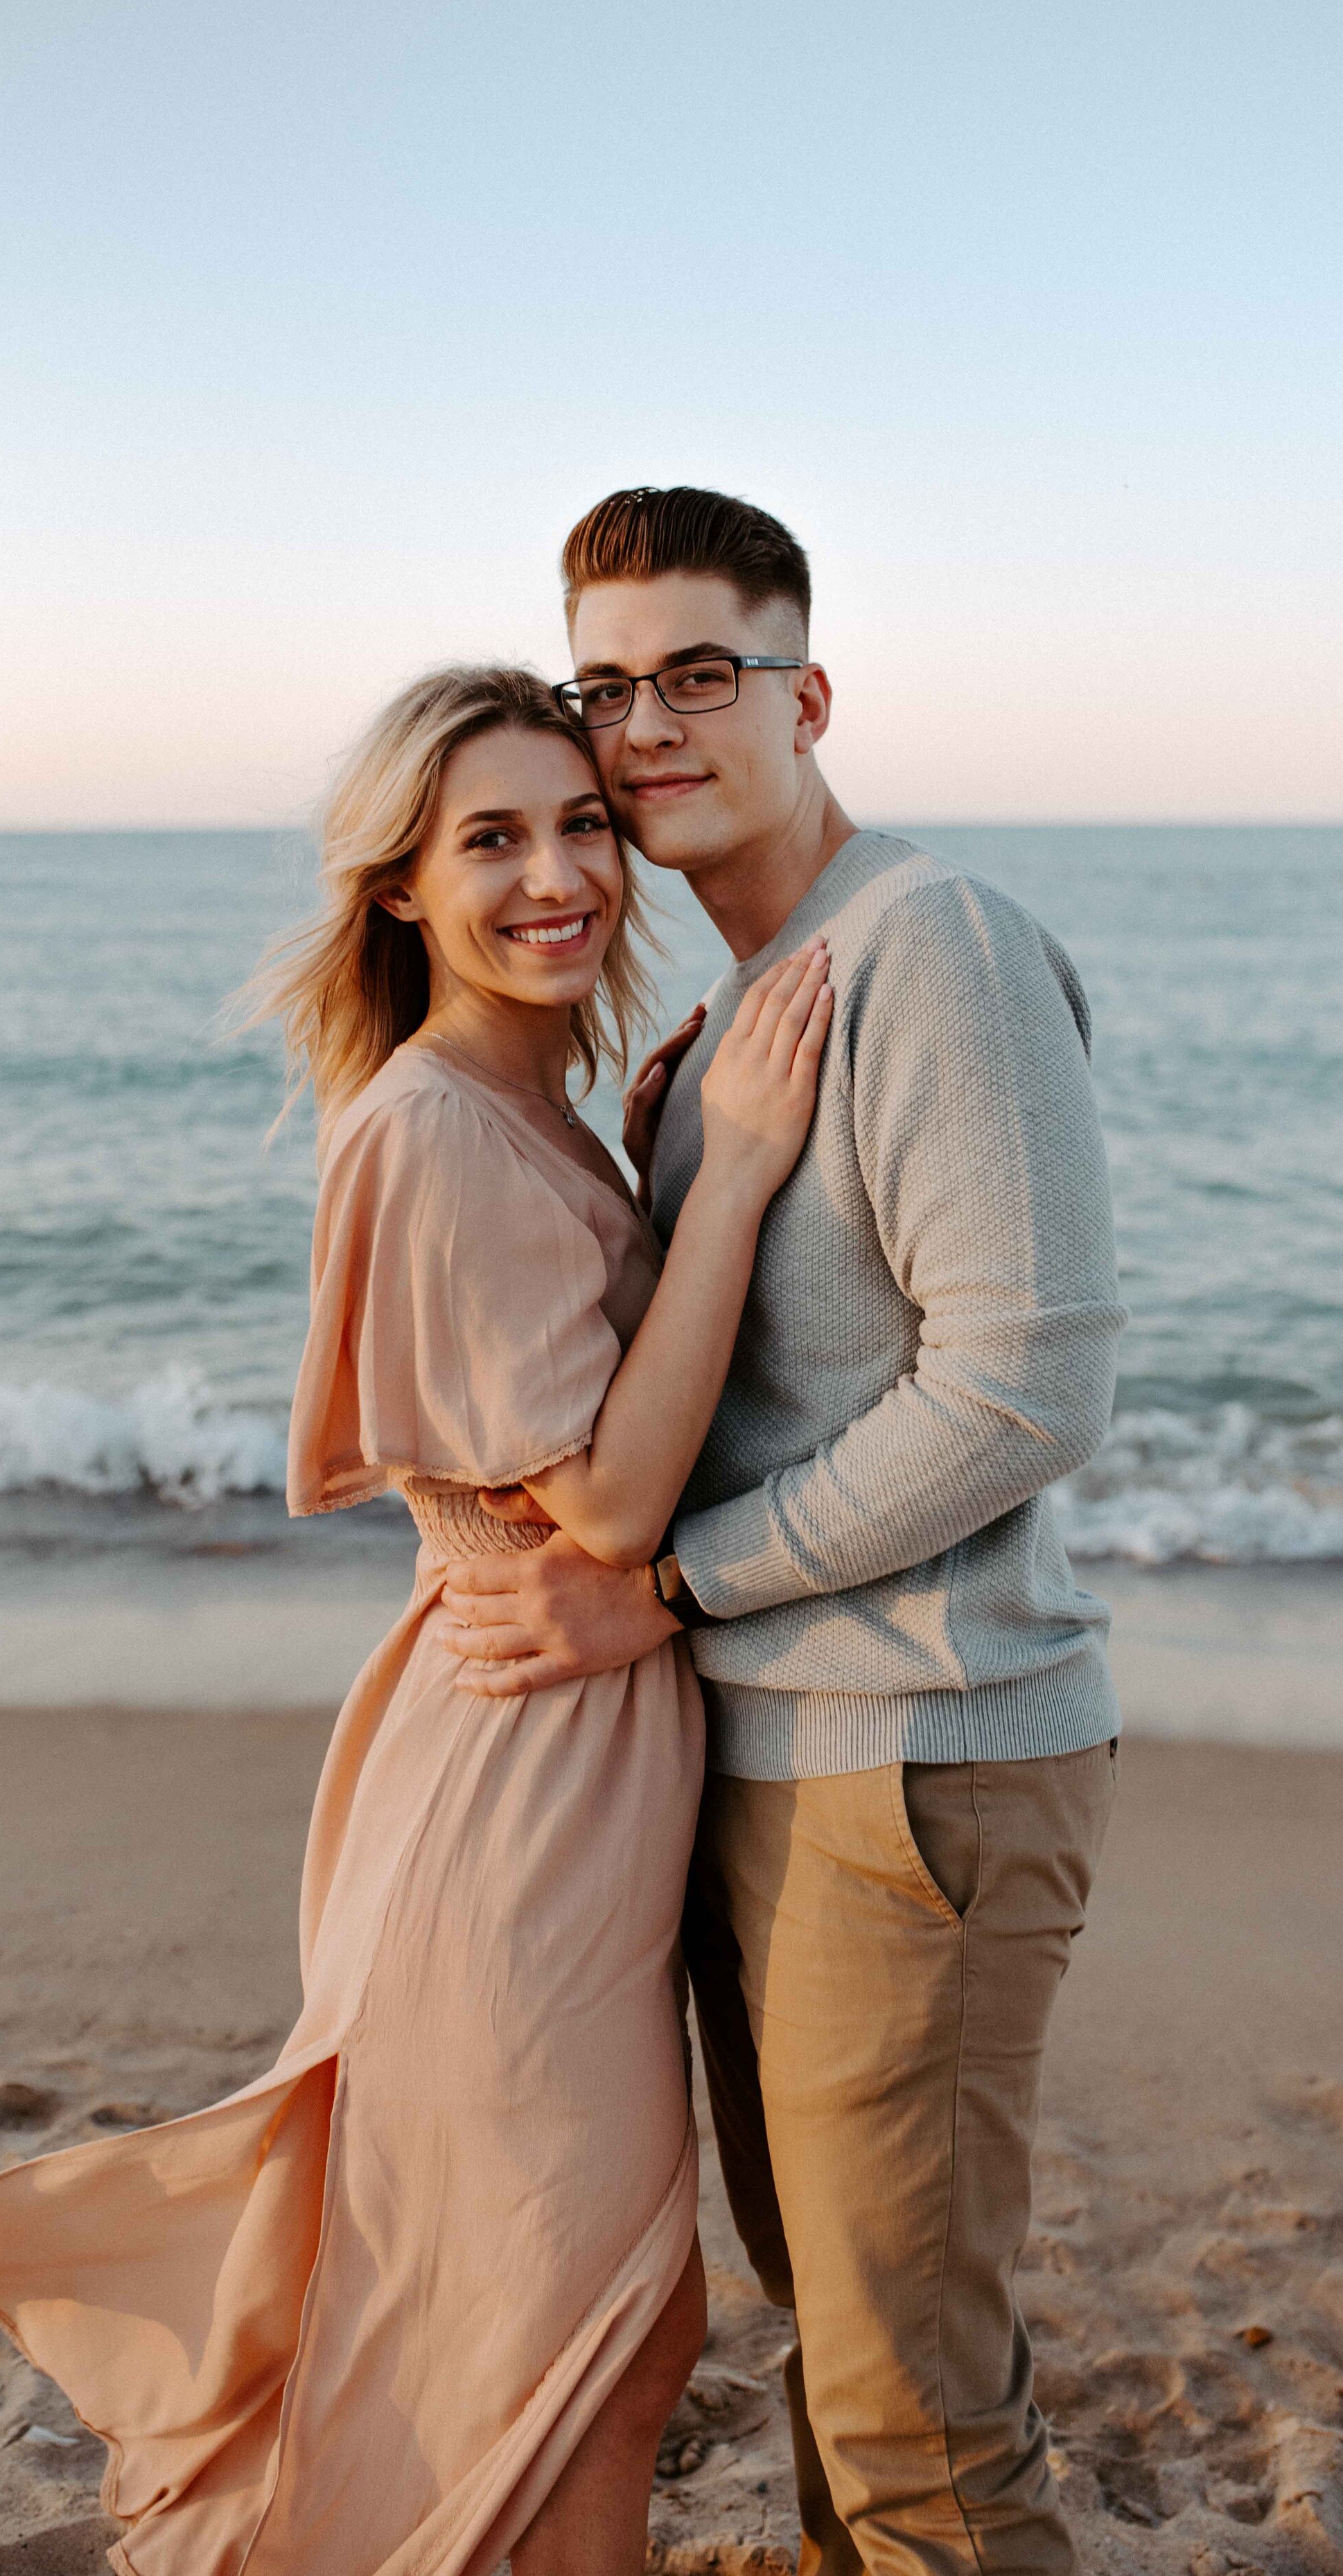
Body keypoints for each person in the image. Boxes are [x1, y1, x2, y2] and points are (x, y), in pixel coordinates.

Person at [0, 664, 834, 2576]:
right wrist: (729, 1189)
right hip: (511, 1805)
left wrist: (663, 1159)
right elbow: (615, 1500)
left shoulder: (530, 1099)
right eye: (490, 837)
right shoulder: (428, 1123)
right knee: (590, 2338)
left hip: (544, 1766)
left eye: (578, 825)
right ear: (398, 884)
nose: (556, 873)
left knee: (588, 2337)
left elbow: (591, 1430)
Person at [439, 491, 1127, 2576]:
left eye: (699, 674)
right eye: (606, 685)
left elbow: (1019, 1394)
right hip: (774, 1758)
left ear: (804, 693)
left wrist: (666, 1582)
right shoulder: (733, 1012)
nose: (643, 726)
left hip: (915, 1760)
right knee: (841, 2355)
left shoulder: (935, 947)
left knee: (917, 2421)